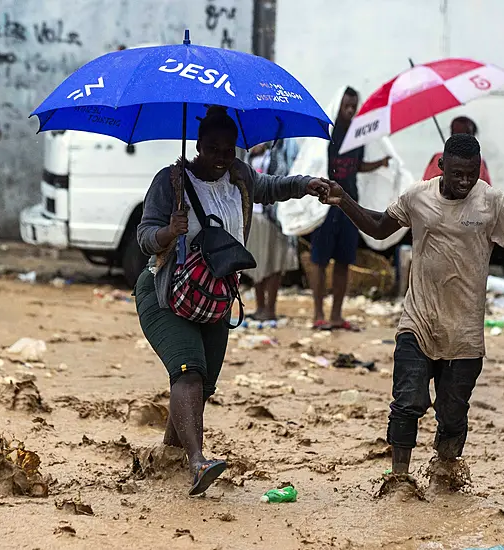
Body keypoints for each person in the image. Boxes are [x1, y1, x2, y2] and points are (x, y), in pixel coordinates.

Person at [318, 133, 504, 490]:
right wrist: (343, 201)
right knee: (406, 403)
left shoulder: (492, 203)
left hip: (464, 333)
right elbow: (377, 227)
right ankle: (399, 481)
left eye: (472, 174)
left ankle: (445, 476)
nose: (465, 182)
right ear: (442, 167)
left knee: (452, 415)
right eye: (458, 174)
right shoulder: (418, 197)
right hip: (418, 322)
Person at [135, 106, 331, 495]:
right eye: (213, 149)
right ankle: (197, 462)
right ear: (197, 145)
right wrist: (168, 234)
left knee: (202, 383)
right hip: (166, 292)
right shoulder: (170, 182)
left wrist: (308, 184)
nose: (221, 157)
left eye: (228, 150)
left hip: (216, 295)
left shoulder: (239, 177)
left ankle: (168, 459)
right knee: (188, 370)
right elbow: (144, 236)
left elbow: (272, 187)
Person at [310, 87, 390, 330]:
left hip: (349, 204)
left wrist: (382, 163)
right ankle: (318, 314)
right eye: (347, 105)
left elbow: (357, 166)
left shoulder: (358, 135)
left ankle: (336, 314)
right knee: (319, 259)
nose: (351, 110)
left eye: (354, 106)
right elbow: (315, 160)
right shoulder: (327, 133)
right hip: (325, 203)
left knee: (344, 259)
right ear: (339, 104)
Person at [245, 138, 302, 321]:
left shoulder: (283, 148)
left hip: (275, 216)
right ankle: (260, 307)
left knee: (274, 261)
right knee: (257, 261)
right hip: (255, 214)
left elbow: (286, 174)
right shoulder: (250, 153)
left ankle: (270, 308)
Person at [422, 116, 491, 185]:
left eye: (467, 133)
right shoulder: (438, 159)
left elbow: (488, 192)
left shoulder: (480, 164)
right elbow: (425, 187)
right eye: (456, 133)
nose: (461, 138)